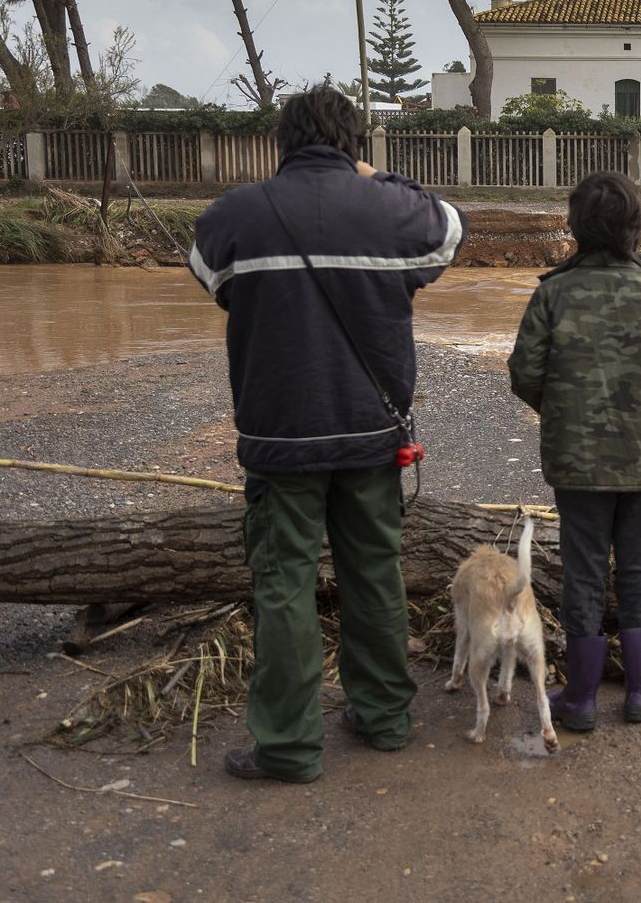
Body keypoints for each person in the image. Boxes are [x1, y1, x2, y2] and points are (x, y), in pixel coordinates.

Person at [188, 86, 465, 782]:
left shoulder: (236, 214)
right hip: (372, 434)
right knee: (374, 571)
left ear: (282, 142)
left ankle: (286, 747)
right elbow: (449, 227)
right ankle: (384, 718)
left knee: (283, 584)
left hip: (279, 438)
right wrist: (378, 178)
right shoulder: (391, 210)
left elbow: (211, 277)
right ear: (355, 145)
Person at [507, 171, 641, 730]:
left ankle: (579, 700)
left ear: (576, 227)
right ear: (635, 228)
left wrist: (564, 412)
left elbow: (524, 372)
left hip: (576, 465)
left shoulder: (553, 291)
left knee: (582, 571)